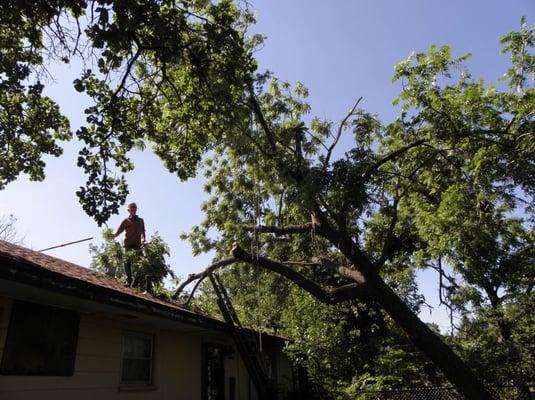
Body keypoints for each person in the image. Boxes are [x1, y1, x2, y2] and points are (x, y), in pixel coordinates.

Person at [115, 202, 146, 285]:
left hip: (137, 245)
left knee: (142, 263)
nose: (134, 209)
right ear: (129, 210)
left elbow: (143, 232)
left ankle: (136, 281)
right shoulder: (126, 221)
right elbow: (120, 230)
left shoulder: (141, 221)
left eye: (135, 207)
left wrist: (143, 240)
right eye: (132, 207)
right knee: (127, 262)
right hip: (128, 244)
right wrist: (114, 235)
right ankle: (128, 280)